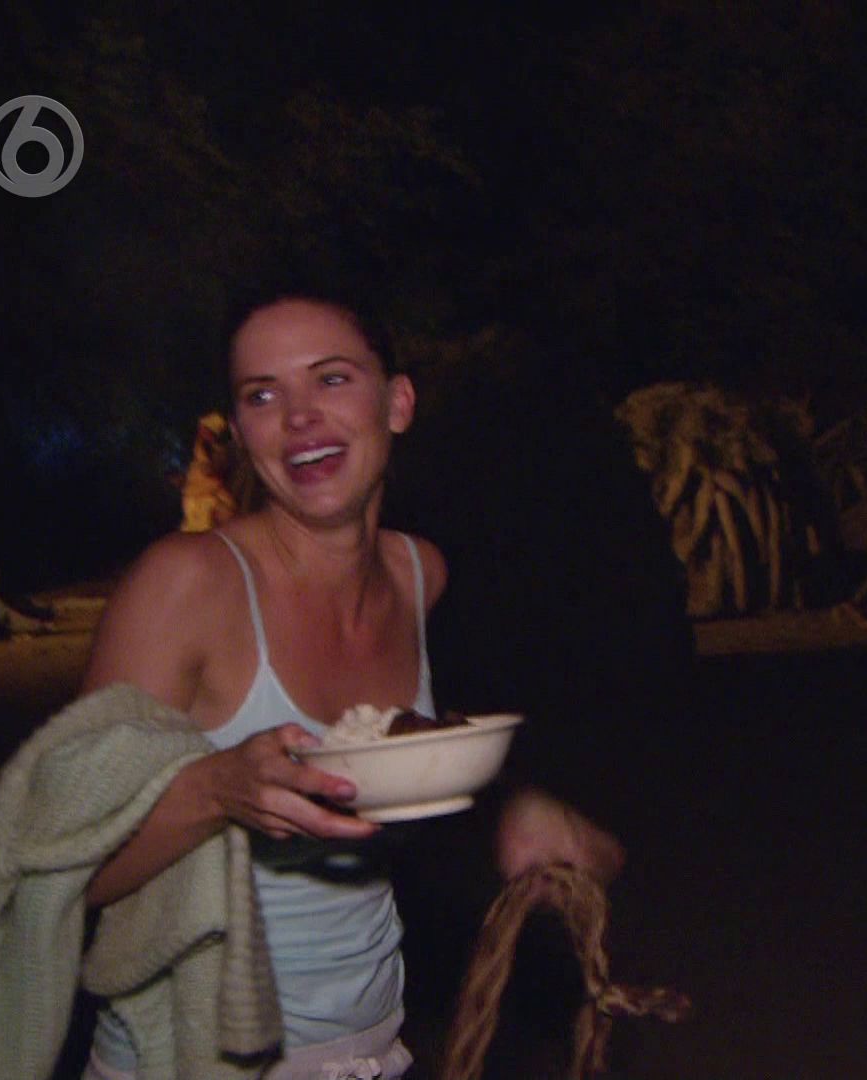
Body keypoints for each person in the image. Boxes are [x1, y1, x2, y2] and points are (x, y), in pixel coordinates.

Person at [76, 292, 624, 1078]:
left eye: (331, 379)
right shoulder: (185, 584)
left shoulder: (419, 575)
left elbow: (392, 767)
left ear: (397, 403)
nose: (299, 416)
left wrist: (511, 807)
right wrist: (218, 791)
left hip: (364, 1050)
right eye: (262, 395)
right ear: (242, 433)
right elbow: (62, 867)